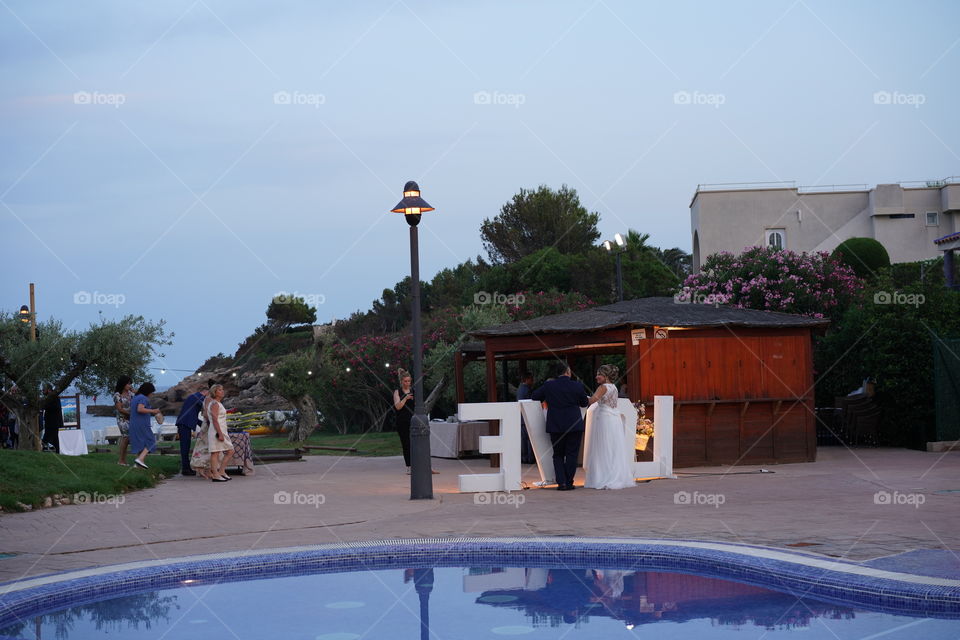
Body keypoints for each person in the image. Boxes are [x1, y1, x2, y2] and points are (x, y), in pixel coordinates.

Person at [531, 361, 589, 491]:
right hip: (574, 425)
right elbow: (584, 403)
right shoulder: (577, 386)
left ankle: (561, 483)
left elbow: (534, 396)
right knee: (572, 454)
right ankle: (569, 482)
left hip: (555, 424)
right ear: (568, 372)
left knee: (558, 454)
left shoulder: (549, 385)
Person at [584, 364, 635, 490]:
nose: (597, 377)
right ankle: (614, 475)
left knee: (602, 447)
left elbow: (591, 401)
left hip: (604, 420)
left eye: (599, 375)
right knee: (612, 448)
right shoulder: (614, 387)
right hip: (614, 419)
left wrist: (580, 396)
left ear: (606, 376)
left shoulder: (603, 387)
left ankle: (603, 477)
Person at [175, 384, 209, 476]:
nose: (208, 397)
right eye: (208, 394)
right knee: (185, 447)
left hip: (184, 422)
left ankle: (186, 468)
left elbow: (193, 415)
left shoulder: (193, 397)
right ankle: (185, 469)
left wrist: (203, 424)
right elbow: (206, 408)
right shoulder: (199, 397)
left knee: (185, 446)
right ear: (205, 392)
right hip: (185, 424)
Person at [130, 382, 162, 469]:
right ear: (148, 391)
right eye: (151, 392)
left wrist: (150, 410)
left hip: (134, 423)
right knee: (151, 441)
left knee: (140, 443)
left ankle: (138, 465)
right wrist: (153, 411)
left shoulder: (135, 398)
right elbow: (140, 409)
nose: (151, 395)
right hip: (142, 424)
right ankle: (140, 459)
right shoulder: (143, 398)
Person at [205, 384, 234, 482]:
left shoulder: (218, 403)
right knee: (215, 453)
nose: (222, 391)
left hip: (222, 430)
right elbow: (214, 420)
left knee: (230, 451)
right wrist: (220, 433)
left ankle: (221, 471)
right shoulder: (214, 404)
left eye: (222, 389)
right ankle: (215, 475)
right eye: (220, 390)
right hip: (216, 431)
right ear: (215, 392)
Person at [393, 368, 414, 475]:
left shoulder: (414, 391)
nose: (407, 383)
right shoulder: (397, 392)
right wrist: (405, 398)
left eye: (409, 381)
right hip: (402, 422)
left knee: (418, 443)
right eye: (405, 381)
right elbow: (398, 406)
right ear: (401, 381)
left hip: (413, 421)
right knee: (406, 444)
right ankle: (409, 466)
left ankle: (422, 465)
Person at [113, 376, 134, 466]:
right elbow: (120, 409)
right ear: (123, 384)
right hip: (122, 419)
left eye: (130, 383)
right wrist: (130, 415)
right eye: (128, 383)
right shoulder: (117, 395)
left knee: (128, 439)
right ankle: (121, 460)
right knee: (125, 437)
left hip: (131, 418)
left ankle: (124, 460)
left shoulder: (131, 394)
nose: (129, 385)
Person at [517, 372, 536, 464]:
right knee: (529, 439)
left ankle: (524, 458)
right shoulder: (527, 390)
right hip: (527, 417)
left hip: (521, 417)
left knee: (523, 439)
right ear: (527, 379)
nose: (532, 381)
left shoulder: (519, 389)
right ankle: (530, 458)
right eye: (531, 379)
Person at [41, 384, 62, 453]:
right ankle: (56, 452)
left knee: (49, 438)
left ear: (48, 390)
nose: (43, 391)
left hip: (53, 423)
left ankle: (54, 451)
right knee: (53, 438)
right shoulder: (51, 397)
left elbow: (55, 408)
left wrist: (45, 406)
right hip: (50, 422)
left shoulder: (54, 397)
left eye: (44, 390)